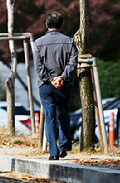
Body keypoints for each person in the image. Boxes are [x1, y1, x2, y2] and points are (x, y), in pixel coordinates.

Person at [33, 11, 78, 161]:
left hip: (45, 85)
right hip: (65, 85)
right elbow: (73, 62)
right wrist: (62, 78)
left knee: (50, 117)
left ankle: (53, 152)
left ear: (46, 25)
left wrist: (51, 79)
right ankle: (64, 147)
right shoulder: (70, 41)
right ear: (61, 25)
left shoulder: (38, 43)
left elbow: (38, 67)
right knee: (64, 114)